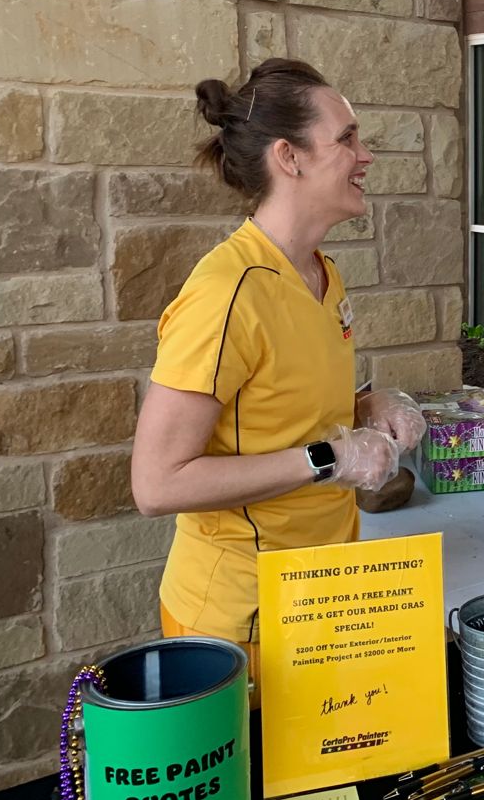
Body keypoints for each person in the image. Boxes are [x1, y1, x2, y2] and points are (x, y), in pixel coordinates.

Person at [131, 59, 426, 690]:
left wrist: (369, 407)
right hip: (241, 622)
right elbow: (156, 484)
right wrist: (330, 458)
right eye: (346, 139)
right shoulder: (225, 295)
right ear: (288, 157)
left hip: (321, 594)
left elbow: (281, 404)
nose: (365, 155)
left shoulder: (321, 272)